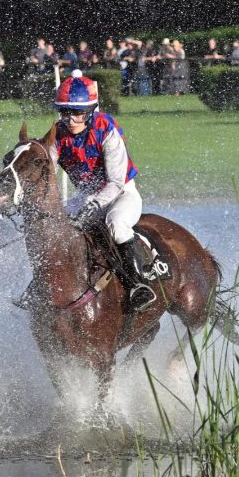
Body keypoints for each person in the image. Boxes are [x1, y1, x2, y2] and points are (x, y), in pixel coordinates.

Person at [51, 70, 155, 311]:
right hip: (86, 197)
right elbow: (46, 168)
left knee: (116, 224)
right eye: (65, 112)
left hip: (121, 194)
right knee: (51, 223)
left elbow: (116, 182)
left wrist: (94, 206)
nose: (71, 120)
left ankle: (137, 285)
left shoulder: (105, 128)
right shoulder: (58, 134)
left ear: (90, 111)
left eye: (77, 113)